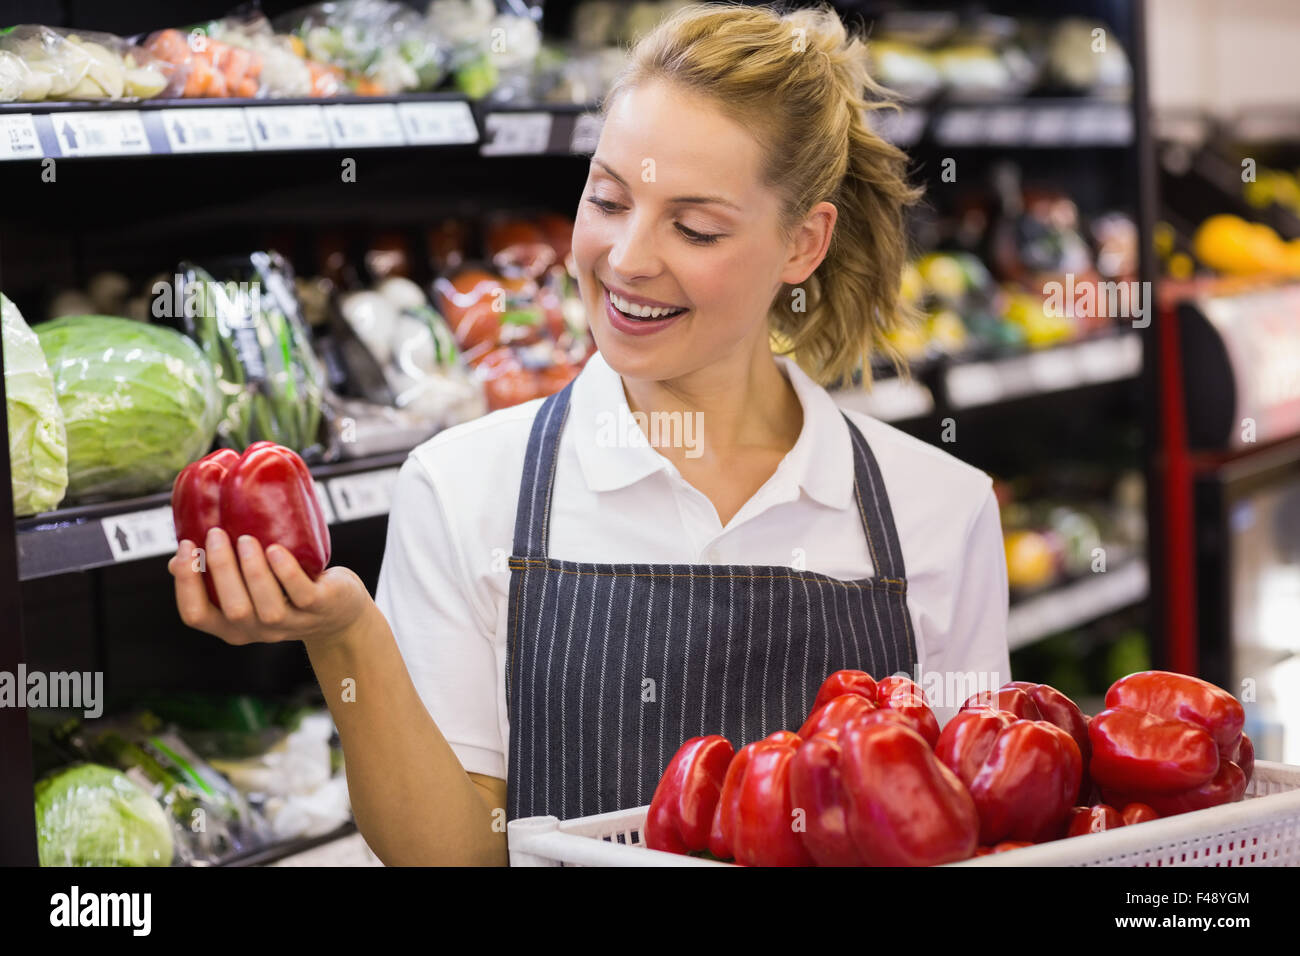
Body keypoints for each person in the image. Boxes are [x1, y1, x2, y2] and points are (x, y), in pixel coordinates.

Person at [169, 1, 1010, 866]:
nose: (627, 257)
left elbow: (980, 832)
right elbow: (453, 858)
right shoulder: (462, 487)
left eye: (695, 226)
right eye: (608, 199)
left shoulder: (937, 511)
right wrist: (344, 636)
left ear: (803, 243)